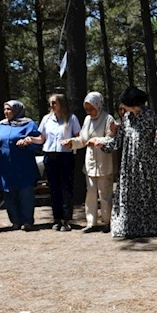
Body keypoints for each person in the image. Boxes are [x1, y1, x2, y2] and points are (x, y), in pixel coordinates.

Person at [99, 87, 157, 238]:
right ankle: (129, 227)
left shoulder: (150, 117)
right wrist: (103, 145)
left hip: (149, 164)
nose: (122, 107)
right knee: (130, 196)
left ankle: (151, 227)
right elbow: (118, 141)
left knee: (148, 195)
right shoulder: (126, 118)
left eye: (125, 103)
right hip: (130, 165)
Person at [62, 92, 116, 233]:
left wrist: (98, 141)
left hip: (104, 162)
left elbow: (112, 139)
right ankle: (91, 222)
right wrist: (72, 143)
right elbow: (83, 139)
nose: (89, 112)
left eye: (91, 108)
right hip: (91, 162)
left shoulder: (108, 118)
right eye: (87, 109)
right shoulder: (87, 120)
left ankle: (107, 222)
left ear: (98, 105)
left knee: (105, 194)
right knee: (90, 194)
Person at [0, 101, 42, 231]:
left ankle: (27, 221)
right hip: (6, 167)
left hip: (24, 166)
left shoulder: (29, 124)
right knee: (9, 194)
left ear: (17, 110)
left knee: (25, 194)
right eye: (5, 109)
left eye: (9, 109)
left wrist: (28, 142)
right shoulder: (1, 125)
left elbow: (38, 143)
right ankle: (15, 221)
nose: (6, 112)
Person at [32, 94, 81, 231]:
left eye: (54, 103)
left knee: (66, 188)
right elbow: (41, 139)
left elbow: (79, 138)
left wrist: (71, 142)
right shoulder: (46, 119)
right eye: (50, 103)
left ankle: (66, 220)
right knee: (53, 189)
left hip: (66, 155)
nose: (52, 106)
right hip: (49, 155)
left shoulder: (71, 119)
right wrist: (30, 139)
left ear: (61, 104)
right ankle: (57, 219)